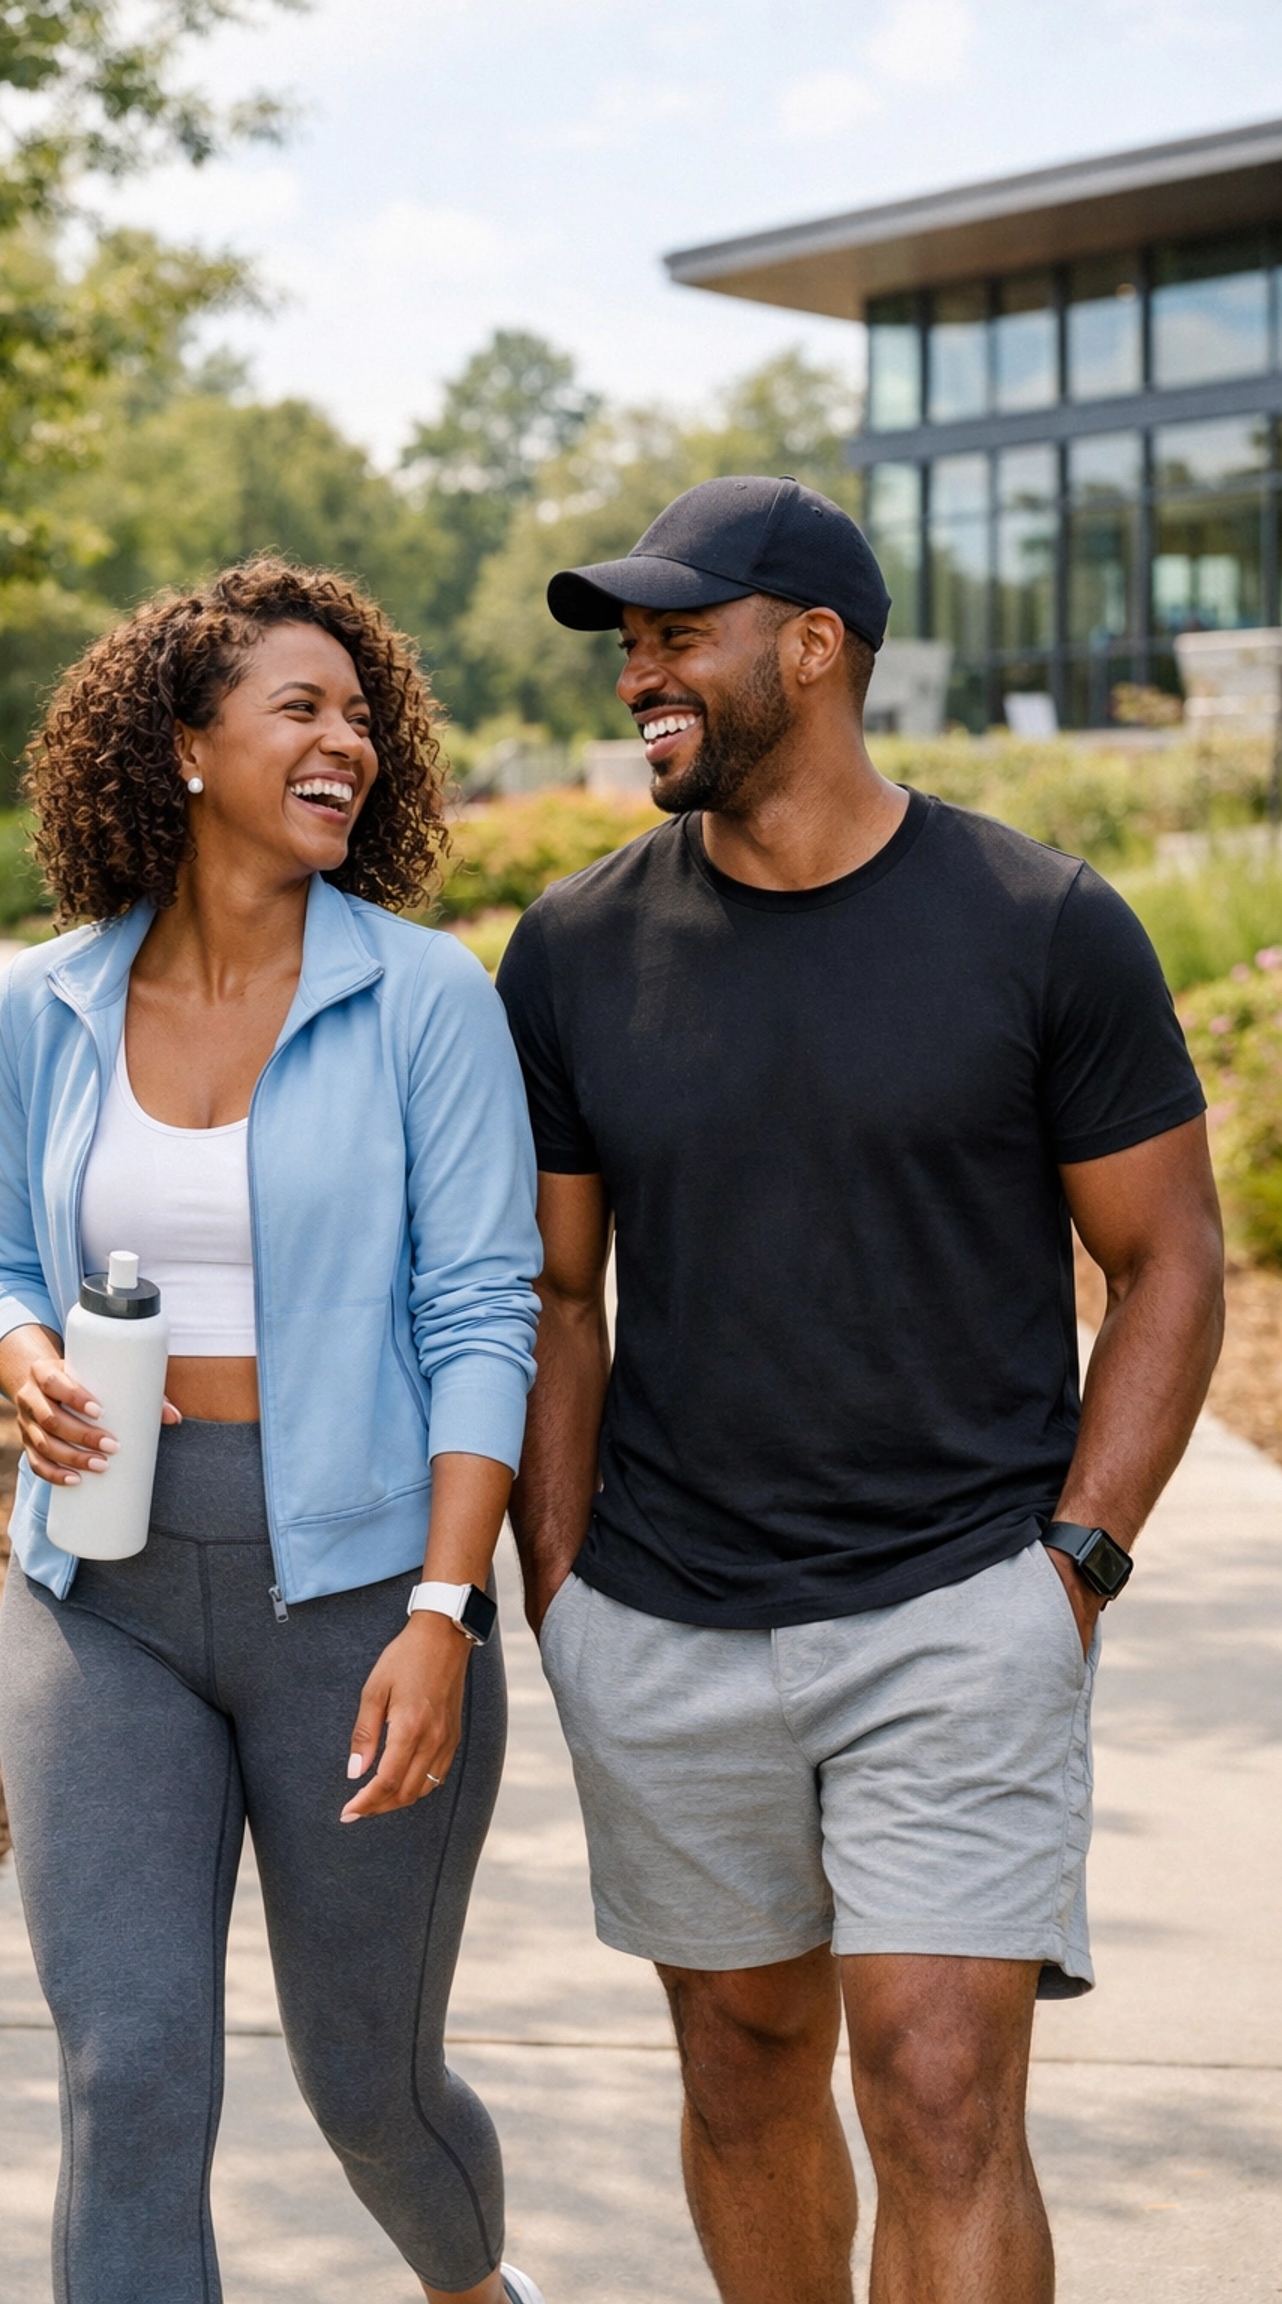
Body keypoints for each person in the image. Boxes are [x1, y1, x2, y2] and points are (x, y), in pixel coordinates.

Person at [497, 475, 1224, 2304]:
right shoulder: (575, 950)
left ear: (814, 648)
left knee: (941, 2091)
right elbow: (554, 1292)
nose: (639, 675)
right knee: (744, 2077)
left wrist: (1074, 1571)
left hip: (960, 1606)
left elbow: (1172, 1266)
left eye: (679, 635)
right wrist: (560, 1584)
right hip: (662, 1618)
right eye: (628, 645)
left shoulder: (1042, 923)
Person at [0, 557, 549, 2304]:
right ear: (187, 746)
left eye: (362, 717)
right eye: (301, 707)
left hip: (363, 1599)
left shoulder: (424, 996)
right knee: (128, 2069)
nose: (346, 743)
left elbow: (481, 1314)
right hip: (100, 1585)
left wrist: (442, 1615)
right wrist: (18, 1362)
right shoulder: (45, 1004)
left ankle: (469, 2287)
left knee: (368, 2088)